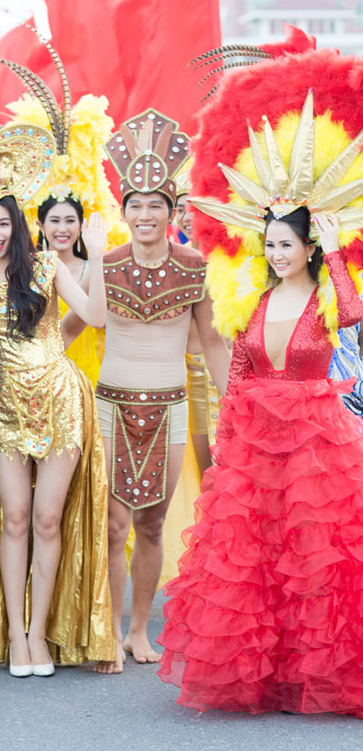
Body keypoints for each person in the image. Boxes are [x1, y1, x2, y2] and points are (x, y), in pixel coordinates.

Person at [159, 91, 363, 715]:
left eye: (285, 245)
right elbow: (240, 370)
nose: (275, 254)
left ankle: (314, 678)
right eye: (269, 244)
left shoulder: (328, 296)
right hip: (254, 438)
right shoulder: (249, 299)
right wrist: (228, 442)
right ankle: (267, 674)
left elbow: (355, 317)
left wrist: (335, 256)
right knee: (257, 557)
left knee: (313, 558)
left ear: (306, 247)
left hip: (314, 438)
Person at [0, 119, 116, 676]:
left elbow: (93, 316)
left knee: (47, 519)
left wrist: (103, 259)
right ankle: (15, 638)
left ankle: (40, 634)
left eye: (3, 222)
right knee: (13, 517)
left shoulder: (45, 266)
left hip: (62, 400)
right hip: (6, 407)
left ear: (18, 223)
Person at [86, 110, 230, 675]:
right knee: (113, 525)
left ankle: (141, 630)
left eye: (156, 205)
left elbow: (212, 343)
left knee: (150, 523)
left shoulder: (197, 268)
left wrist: (235, 404)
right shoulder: (108, 262)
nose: (145, 215)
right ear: (123, 211)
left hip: (171, 407)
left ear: (173, 212)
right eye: (136, 205)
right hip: (111, 407)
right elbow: (80, 322)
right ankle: (108, 629)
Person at [174, 167, 222, 473]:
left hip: (229, 379)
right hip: (189, 384)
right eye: (180, 209)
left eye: (194, 207)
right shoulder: (175, 260)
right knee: (201, 479)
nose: (187, 217)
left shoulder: (241, 261)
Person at [37, 187, 104, 385]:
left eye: (70, 220)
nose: (63, 229)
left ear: (81, 226)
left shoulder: (94, 268)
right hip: (43, 376)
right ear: (40, 226)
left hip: (89, 373)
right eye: (55, 221)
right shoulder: (29, 271)